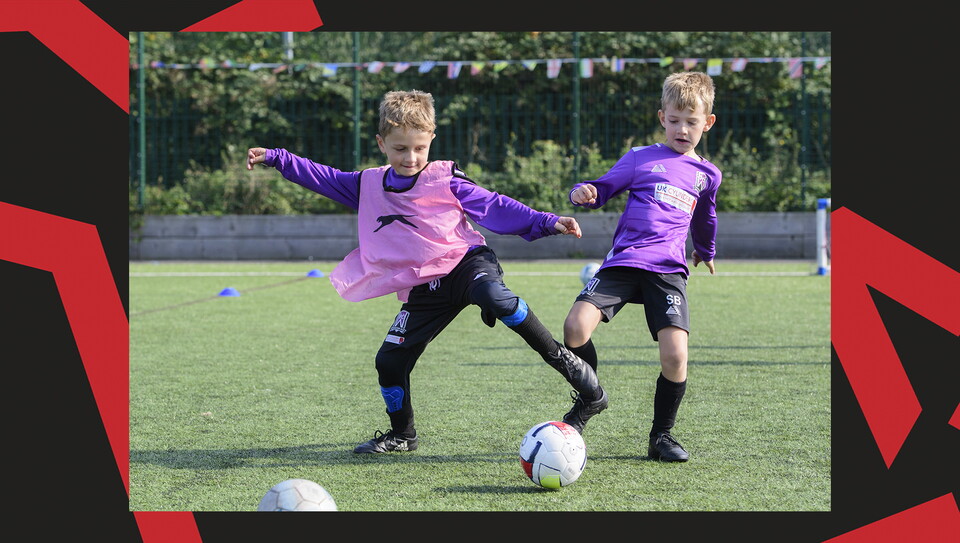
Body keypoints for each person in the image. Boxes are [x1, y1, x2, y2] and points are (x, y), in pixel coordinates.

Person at [246, 89, 604, 454]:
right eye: (400, 149)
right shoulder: (367, 184)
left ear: (431, 139)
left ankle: (575, 373)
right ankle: (403, 434)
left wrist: (547, 221)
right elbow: (320, 176)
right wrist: (277, 158)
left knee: (494, 296)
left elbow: (495, 205)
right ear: (381, 143)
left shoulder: (445, 179)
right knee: (389, 361)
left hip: (467, 263)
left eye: (419, 148)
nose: (411, 157)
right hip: (428, 282)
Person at [561, 71, 721, 462]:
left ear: (707, 123)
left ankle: (661, 436)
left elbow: (706, 217)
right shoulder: (640, 158)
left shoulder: (707, 175)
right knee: (574, 328)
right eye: (674, 120)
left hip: (668, 271)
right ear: (662, 117)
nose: (682, 129)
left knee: (675, 356)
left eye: (692, 121)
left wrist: (705, 249)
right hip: (625, 262)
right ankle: (590, 397)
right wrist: (584, 193)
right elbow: (603, 187)